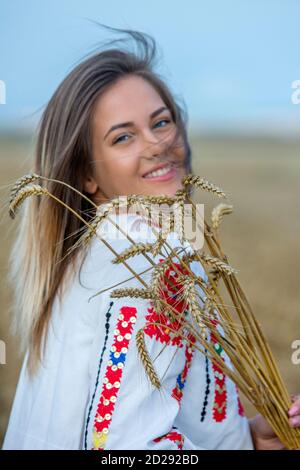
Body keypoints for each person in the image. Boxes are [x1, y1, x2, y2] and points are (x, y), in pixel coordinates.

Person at [3, 25, 300, 450]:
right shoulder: (144, 261)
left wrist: (247, 440)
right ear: (85, 174)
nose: (157, 143)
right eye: (123, 136)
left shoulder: (95, 251)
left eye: (161, 122)